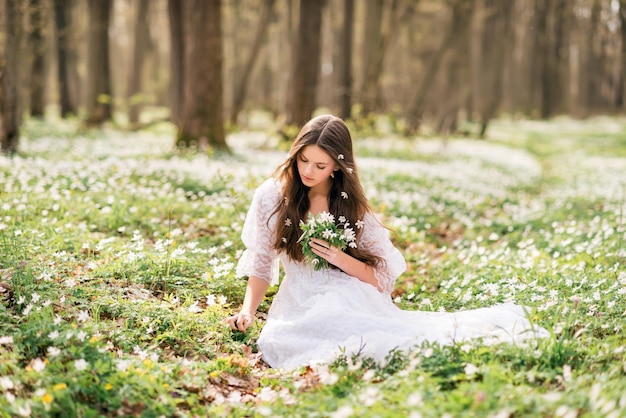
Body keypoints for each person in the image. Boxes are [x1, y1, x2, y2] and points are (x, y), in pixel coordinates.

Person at [226, 114, 548, 370]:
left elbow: (381, 279)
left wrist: (339, 257)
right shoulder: (271, 196)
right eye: (303, 160)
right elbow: (261, 262)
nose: (308, 171)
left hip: (347, 292)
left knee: (351, 327)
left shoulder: (349, 206)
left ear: (338, 166)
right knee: (283, 340)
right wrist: (248, 312)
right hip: (297, 297)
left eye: (320, 165)